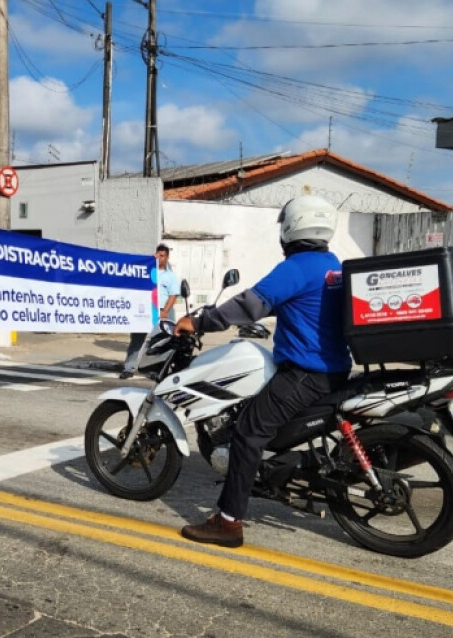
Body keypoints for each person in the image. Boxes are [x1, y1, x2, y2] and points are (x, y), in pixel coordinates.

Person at [174, 195, 353, 548]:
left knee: (249, 430)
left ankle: (228, 522)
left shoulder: (297, 267)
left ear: (291, 227)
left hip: (306, 371)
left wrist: (199, 321)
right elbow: (304, 307)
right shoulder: (331, 264)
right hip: (332, 367)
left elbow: (250, 304)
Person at [121, 243, 180, 379]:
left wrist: (165, 311)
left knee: (161, 341)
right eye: (158, 255)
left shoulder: (170, 276)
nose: (160, 258)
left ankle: (158, 369)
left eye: (162, 256)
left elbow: (173, 295)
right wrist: (149, 261)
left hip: (162, 310)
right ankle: (129, 368)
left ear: (167, 257)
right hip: (144, 309)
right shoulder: (146, 271)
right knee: (136, 340)